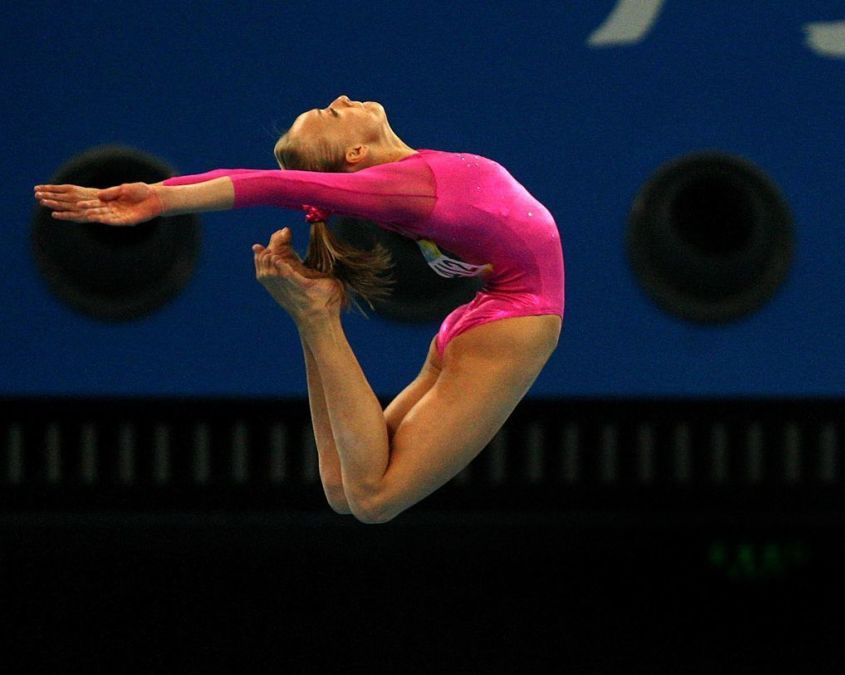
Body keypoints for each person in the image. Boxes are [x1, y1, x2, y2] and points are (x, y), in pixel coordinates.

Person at [35, 95, 564, 524]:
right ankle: (317, 318)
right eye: (333, 115)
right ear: (354, 156)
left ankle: (314, 320)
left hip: (484, 317)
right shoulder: (408, 189)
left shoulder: (410, 178)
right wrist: (161, 197)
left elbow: (292, 185)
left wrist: (163, 190)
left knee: (344, 491)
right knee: (375, 500)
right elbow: (274, 183)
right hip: (514, 320)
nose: (339, 99)